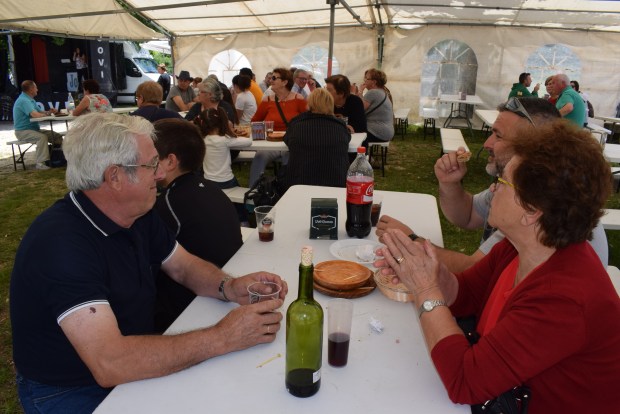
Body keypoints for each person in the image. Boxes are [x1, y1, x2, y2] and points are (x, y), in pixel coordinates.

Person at [9, 112, 287, 413]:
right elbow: (110, 363)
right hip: (69, 389)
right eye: (152, 164)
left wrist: (228, 287)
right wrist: (223, 337)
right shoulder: (61, 245)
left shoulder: (137, 212)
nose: (160, 173)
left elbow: (182, 266)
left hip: (128, 358)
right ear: (115, 177)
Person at [375, 120, 620, 413]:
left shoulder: (564, 298)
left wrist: (426, 289)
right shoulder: (522, 247)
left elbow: (465, 382)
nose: (492, 188)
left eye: (502, 181)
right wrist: (427, 270)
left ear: (531, 210)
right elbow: (467, 294)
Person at [376, 97, 608, 272]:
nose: (487, 143)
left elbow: (473, 269)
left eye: (498, 135)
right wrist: (450, 184)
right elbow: (468, 216)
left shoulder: (535, 204)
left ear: (533, 144)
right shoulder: (519, 186)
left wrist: (411, 241)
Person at [152, 118, 243, 331]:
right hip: (227, 284)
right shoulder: (212, 188)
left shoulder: (168, 204)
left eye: (151, 158)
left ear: (170, 162)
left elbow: (151, 262)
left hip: (191, 305)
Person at [249, 67, 307, 186]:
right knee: (259, 157)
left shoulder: (298, 99)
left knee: (289, 161)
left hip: (290, 143)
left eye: (274, 78)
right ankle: (253, 190)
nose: (270, 80)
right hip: (271, 143)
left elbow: (308, 120)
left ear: (285, 82)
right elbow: (254, 121)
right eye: (271, 77)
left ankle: (288, 189)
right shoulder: (267, 100)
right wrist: (262, 131)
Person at [284, 88, 351, 189]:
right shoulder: (340, 125)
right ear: (330, 103)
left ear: (309, 104)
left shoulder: (296, 123)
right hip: (336, 184)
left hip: (299, 183)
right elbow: (347, 139)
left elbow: (287, 139)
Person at [12, 80, 64, 170]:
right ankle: (41, 163)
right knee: (42, 137)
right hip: (23, 131)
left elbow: (40, 112)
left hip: (33, 130)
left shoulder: (30, 99)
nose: (37, 89)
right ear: (31, 89)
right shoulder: (24, 100)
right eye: (36, 87)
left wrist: (49, 112)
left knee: (56, 136)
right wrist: (48, 114)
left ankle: (58, 158)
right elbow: (35, 115)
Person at [356, 68, 394, 148]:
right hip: (386, 132)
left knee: (350, 133)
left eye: (367, 78)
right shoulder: (382, 91)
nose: (364, 80)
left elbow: (359, 109)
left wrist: (359, 92)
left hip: (377, 132)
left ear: (374, 82)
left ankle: (360, 154)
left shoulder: (373, 92)